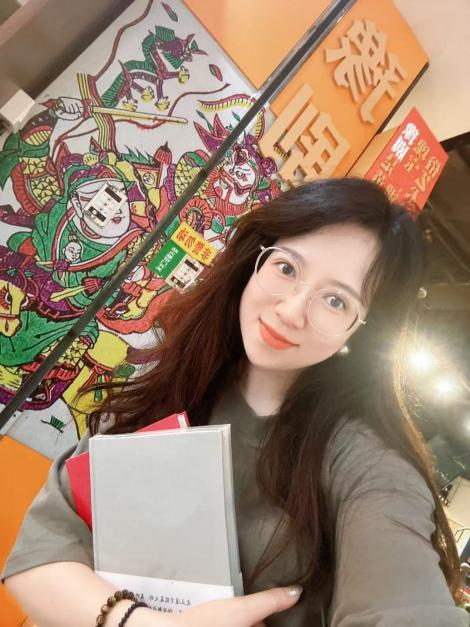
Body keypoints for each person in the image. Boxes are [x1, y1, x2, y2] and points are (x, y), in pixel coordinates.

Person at [3, 178, 468, 627]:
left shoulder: (364, 465)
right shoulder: (180, 381)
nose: (291, 311)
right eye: (287, 269)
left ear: (360, 331)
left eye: (335, 301)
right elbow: (37, 556)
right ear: (255, 261)